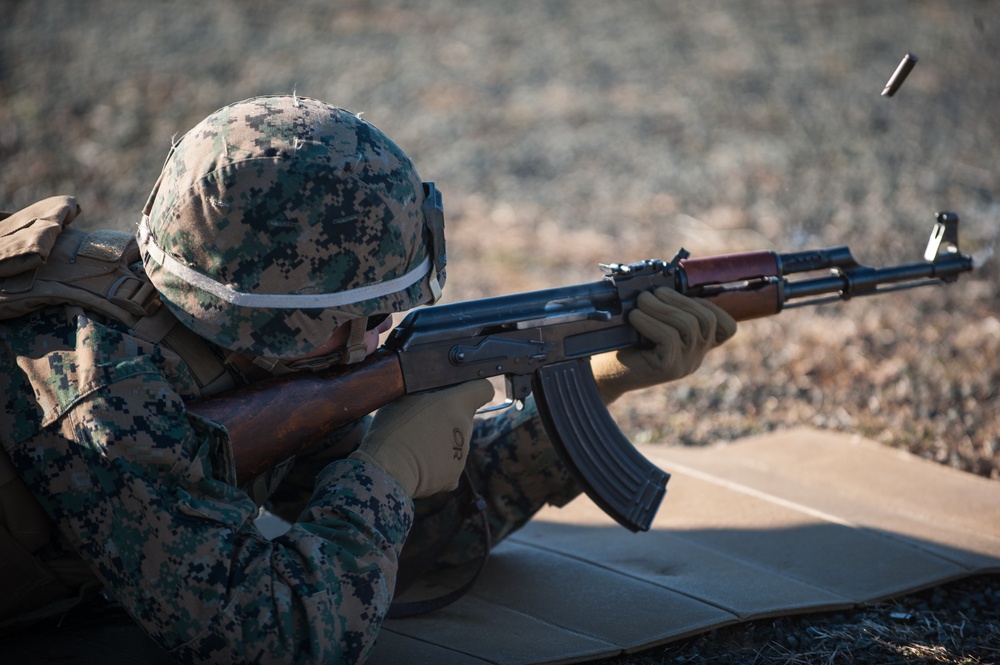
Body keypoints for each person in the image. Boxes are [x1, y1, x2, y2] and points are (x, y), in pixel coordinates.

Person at [0, 95, 736, 664]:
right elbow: (278, 637)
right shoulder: (100, 394)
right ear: (283, 319)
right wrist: (382, 477)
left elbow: (410, 546)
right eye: (368, 311)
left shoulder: (241, 343)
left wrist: (598, 380)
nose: (383, 330)